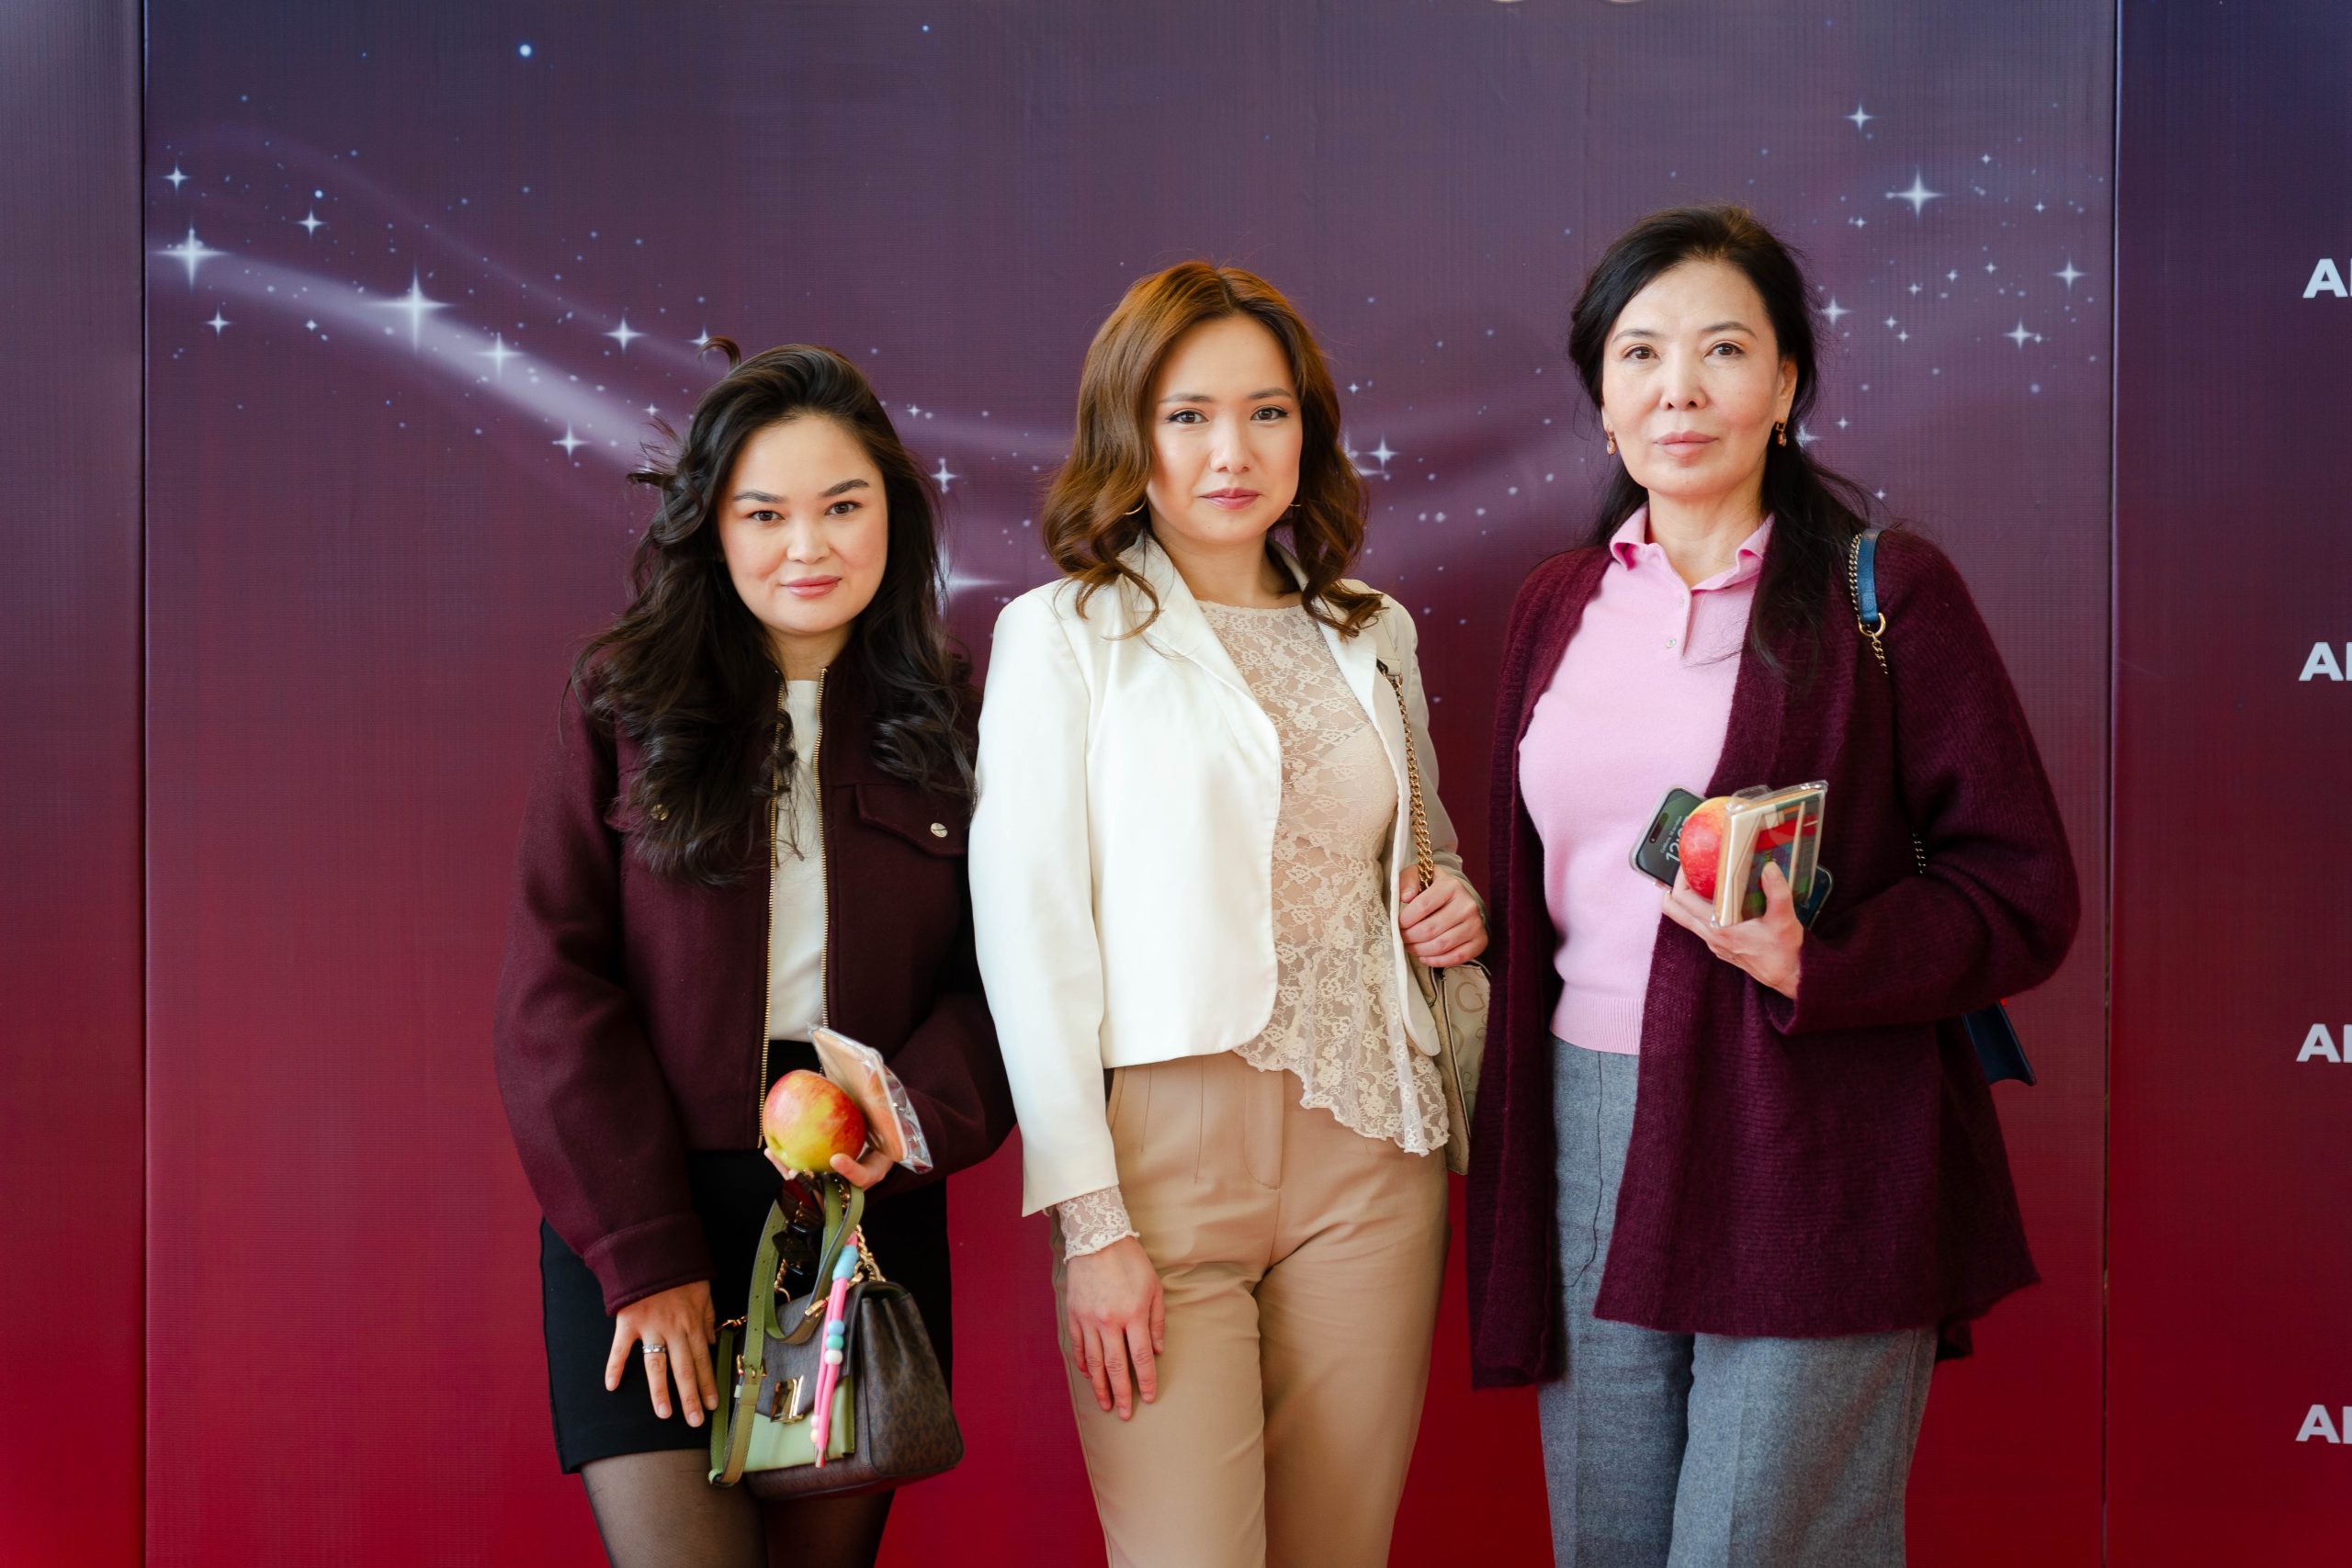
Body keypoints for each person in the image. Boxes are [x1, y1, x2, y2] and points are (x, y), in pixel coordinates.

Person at [1469, 205, 2081, 1567]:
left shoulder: (1885, 592)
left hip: (1813, 1130)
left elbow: (2020, 887)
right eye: (1640, 353)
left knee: (1766, 1547)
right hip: (1587, 1120)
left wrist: (1821, 959)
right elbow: (1550, 883)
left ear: (1789, 384)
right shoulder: (1556, 605)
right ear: (1602, 397)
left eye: (1725, 349)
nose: (1678, 387)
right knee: (1610, 1545)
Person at [968, 261, 1488, 1568]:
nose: (1231, 452)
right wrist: (1092, 1220)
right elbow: (1029, 936)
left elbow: (1418, 853)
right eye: (1188, 415)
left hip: (1375, 1143)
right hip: (1162, 1162)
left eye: (1267, 413)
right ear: (1128, 433)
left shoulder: (1373, 630)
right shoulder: (1063, 632)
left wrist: (1453, 907)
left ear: (1307, 430)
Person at [493, 342, 1014, 1568]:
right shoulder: (626, 700)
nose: (807, 547)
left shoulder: (955, 713)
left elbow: (1009, 980)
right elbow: (552, 990)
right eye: (765, 513)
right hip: (644, 1198)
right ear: (712, 529)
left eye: (843, 506)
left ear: (894, 514)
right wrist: (642, 1252)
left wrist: (909, 1112)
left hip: (853, 1213)